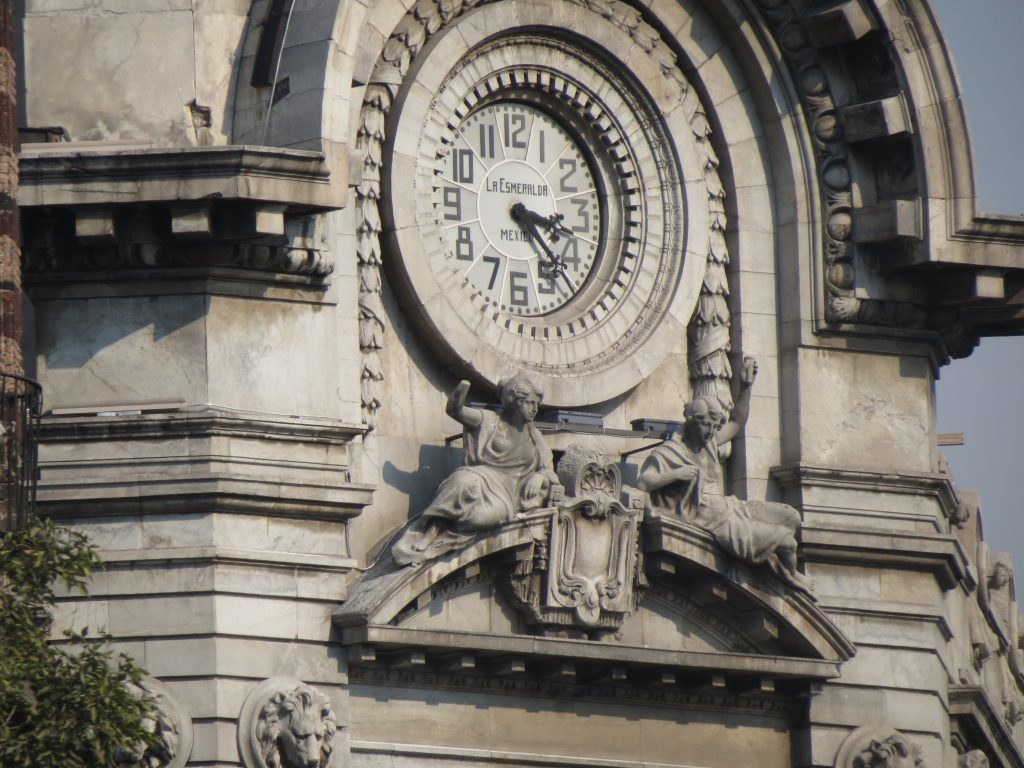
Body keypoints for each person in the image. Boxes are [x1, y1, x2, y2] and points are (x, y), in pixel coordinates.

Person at [638, 357, 815, 597]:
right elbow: (644, 481)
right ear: (691, 422)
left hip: (730, 507)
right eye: (706, 426)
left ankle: (779, 570)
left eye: (714, 427)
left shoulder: (709, 443)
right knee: (787, 543)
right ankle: (791, 576)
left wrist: (746, 387)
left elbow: (737, 423)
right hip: (714, 519)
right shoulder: (671, 452)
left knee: (791, 516)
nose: (711, 432)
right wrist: (676, 473)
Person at [393, 373, 558, 566]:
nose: (535, 409)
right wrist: (461, 390)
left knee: (481, 517)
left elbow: (549, 470)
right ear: (515, 402)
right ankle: (430, 533)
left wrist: (539, 477)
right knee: (462, 481)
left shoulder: (535, 437)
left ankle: (443, 538)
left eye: (536, 404)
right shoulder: (489, 420)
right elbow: (456, 411)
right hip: (481, 476)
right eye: (530, 403)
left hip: (506, 495)